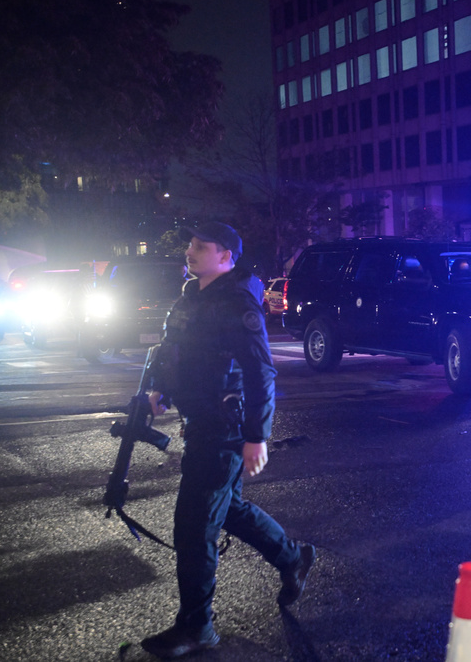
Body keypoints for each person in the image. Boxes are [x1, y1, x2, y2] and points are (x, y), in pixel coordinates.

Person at [140, 221, 315, 659]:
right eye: (191, 244)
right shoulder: (191, 296)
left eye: (203, 246)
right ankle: (293, 558)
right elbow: (169, 345)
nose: (191, 250)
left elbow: (261, 372)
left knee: (195, 524)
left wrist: (258, 436)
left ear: (226, 256)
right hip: (200, 422)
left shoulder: (237, 303)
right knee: (229, 509)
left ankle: (197, 626)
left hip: (225, 429)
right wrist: (157, 385)